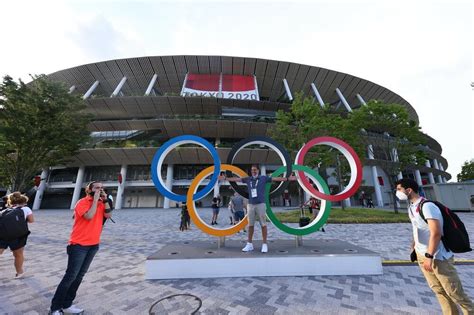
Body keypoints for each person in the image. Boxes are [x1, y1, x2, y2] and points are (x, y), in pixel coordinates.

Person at [395, 178, 473, 314]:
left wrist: (429, 256)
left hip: (437, 256)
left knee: (455, 293)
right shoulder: (411, 207)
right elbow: (418, 227)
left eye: (399, 189)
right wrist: (414, 245)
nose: (397, 192)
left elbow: (436, 233)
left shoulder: (427, 206)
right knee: (438, 290)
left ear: (408, 190)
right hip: (422, 253)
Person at [50, 181, 112, 315]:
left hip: (93, 245)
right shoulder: (82, 202)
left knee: (79, 277)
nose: (99, 190)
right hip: (78, 245)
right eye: (96, 188)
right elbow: (89, 216)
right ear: (89, 190)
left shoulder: (102, 203)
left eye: (102, 188)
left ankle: (67, 304)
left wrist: (105, 200)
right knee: (70, 276)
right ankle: (55, 308)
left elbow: (108, 215)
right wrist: (95, 200)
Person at [222, 165, 296, 253]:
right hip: (251, 205)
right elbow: (237, 179)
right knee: (250, 225)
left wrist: (287, 179)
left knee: (263, 224)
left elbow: (275, 179)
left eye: (255, 170)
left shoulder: (263, 178)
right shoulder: (248, 179)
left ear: (258, 171)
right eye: (252, 170)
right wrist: (226, 178)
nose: (253, 171)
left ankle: (264, 244)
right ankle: (249, 244)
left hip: (261, 204)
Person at [0, 192, 34, 279]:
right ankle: (19, 272)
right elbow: (31, 220)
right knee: (18, 255)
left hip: (3, 235)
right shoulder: (26, 209)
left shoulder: (4, 210)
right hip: (18, 236)